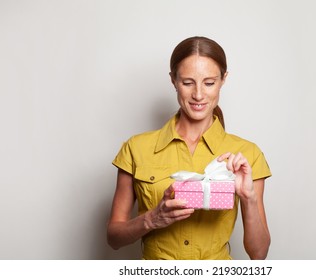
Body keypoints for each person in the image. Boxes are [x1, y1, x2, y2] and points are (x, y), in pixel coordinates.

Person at [107, 36, 272, 260]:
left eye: (209, 82)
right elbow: (114, 238)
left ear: (224, 79)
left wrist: (249, 197)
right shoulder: (136, 149)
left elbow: (259, 253)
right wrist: (151, 219)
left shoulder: (246, 154)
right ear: (173, 80)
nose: (198, 94)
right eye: (187, 82)